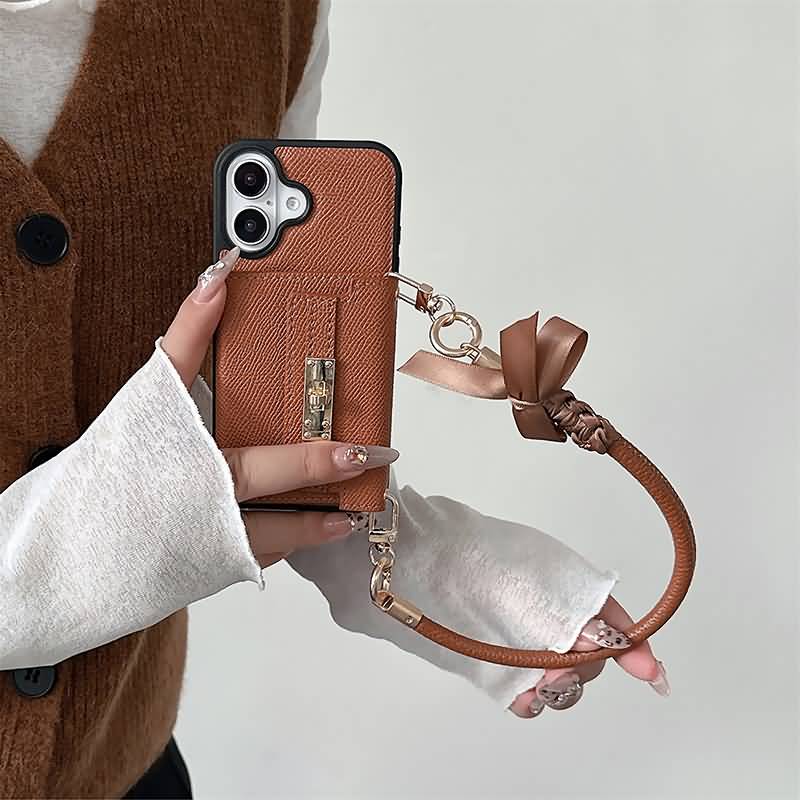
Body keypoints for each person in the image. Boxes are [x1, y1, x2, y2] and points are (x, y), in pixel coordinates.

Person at [0, 0, 667, 797]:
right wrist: (115, 532)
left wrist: (453, 576)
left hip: (127, 771)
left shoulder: (270, 15)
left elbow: (252, 419)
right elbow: (176, 493)